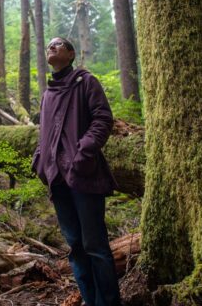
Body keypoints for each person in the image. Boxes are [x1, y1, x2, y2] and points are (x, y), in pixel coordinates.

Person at [32, 37, 121, 306]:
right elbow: (45, 134)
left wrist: (82, 153)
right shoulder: (48, 94)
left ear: (71, 54)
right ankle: (89, 300)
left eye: (58, 44)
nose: (52, 47)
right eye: (49, 45)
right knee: (76, 247)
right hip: (57, 180)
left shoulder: (85, 82)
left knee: (95, 246)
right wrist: (40, 160)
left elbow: (103, 118)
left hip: (84, 175)